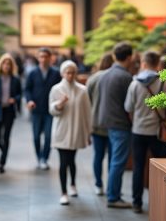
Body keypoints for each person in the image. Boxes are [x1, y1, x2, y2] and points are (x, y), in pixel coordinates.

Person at [124, 51, 166, 213]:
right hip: (158, 132)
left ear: (143, 63)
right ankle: (162, 200)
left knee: (138, 166)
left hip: (138, 130)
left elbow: (128, 108)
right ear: (158, 65)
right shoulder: (164, 84)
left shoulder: (134, 84)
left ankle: (137, 202)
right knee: (162, 166)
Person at [97, 42, 135, 208]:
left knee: (114, 160)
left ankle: (114, 192)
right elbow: (129, 105)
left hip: (108, 121)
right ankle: (113, 197)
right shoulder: (125, 77)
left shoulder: (105, 74)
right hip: (120, 123)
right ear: (129, 57)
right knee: (118, 161)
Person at [49, 60, 92, 206]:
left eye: (73, 72)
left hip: (76, 130)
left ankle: (73, 184)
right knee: (63, 161)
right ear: (62, 73)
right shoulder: (56, 89)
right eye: (67, 72)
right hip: (62, 130)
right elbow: (52, 110)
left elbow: (87, 112)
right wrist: (59, 104)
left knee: (72, 160)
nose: (70, 75)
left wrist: (88, 132)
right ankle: (63, 192)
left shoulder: (82, 90)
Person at [24, 47, 62, 170]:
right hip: (36, 109)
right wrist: (29, 100)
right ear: (38, 58)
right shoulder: (32, 73)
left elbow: (60, 89)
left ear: (50, 58)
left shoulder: (56, 73)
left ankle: (44, 158)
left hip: (50, 110)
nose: (43, 59)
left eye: (46, 56)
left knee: (48, 136)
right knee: (36, 136)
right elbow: (27, 89)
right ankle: (39, 157)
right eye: (41, 56)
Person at [0, 54, 22, 174]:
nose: (6, 66)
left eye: (9, 64)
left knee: (6, 136)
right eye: (5, 63)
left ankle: (2, 162)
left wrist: (14, 99)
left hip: (9, 111)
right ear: (1, 65)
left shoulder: (15, 79)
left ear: (12, 66)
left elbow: (19, 94)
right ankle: (4, 151)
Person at [86, 53, 114, 195]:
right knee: (112, 157)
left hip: (96, 122)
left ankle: (98, 184)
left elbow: (87, 102)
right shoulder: (115, 77)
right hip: (112, 124)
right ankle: (111, 185)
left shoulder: (93, 78)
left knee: (98, 155)